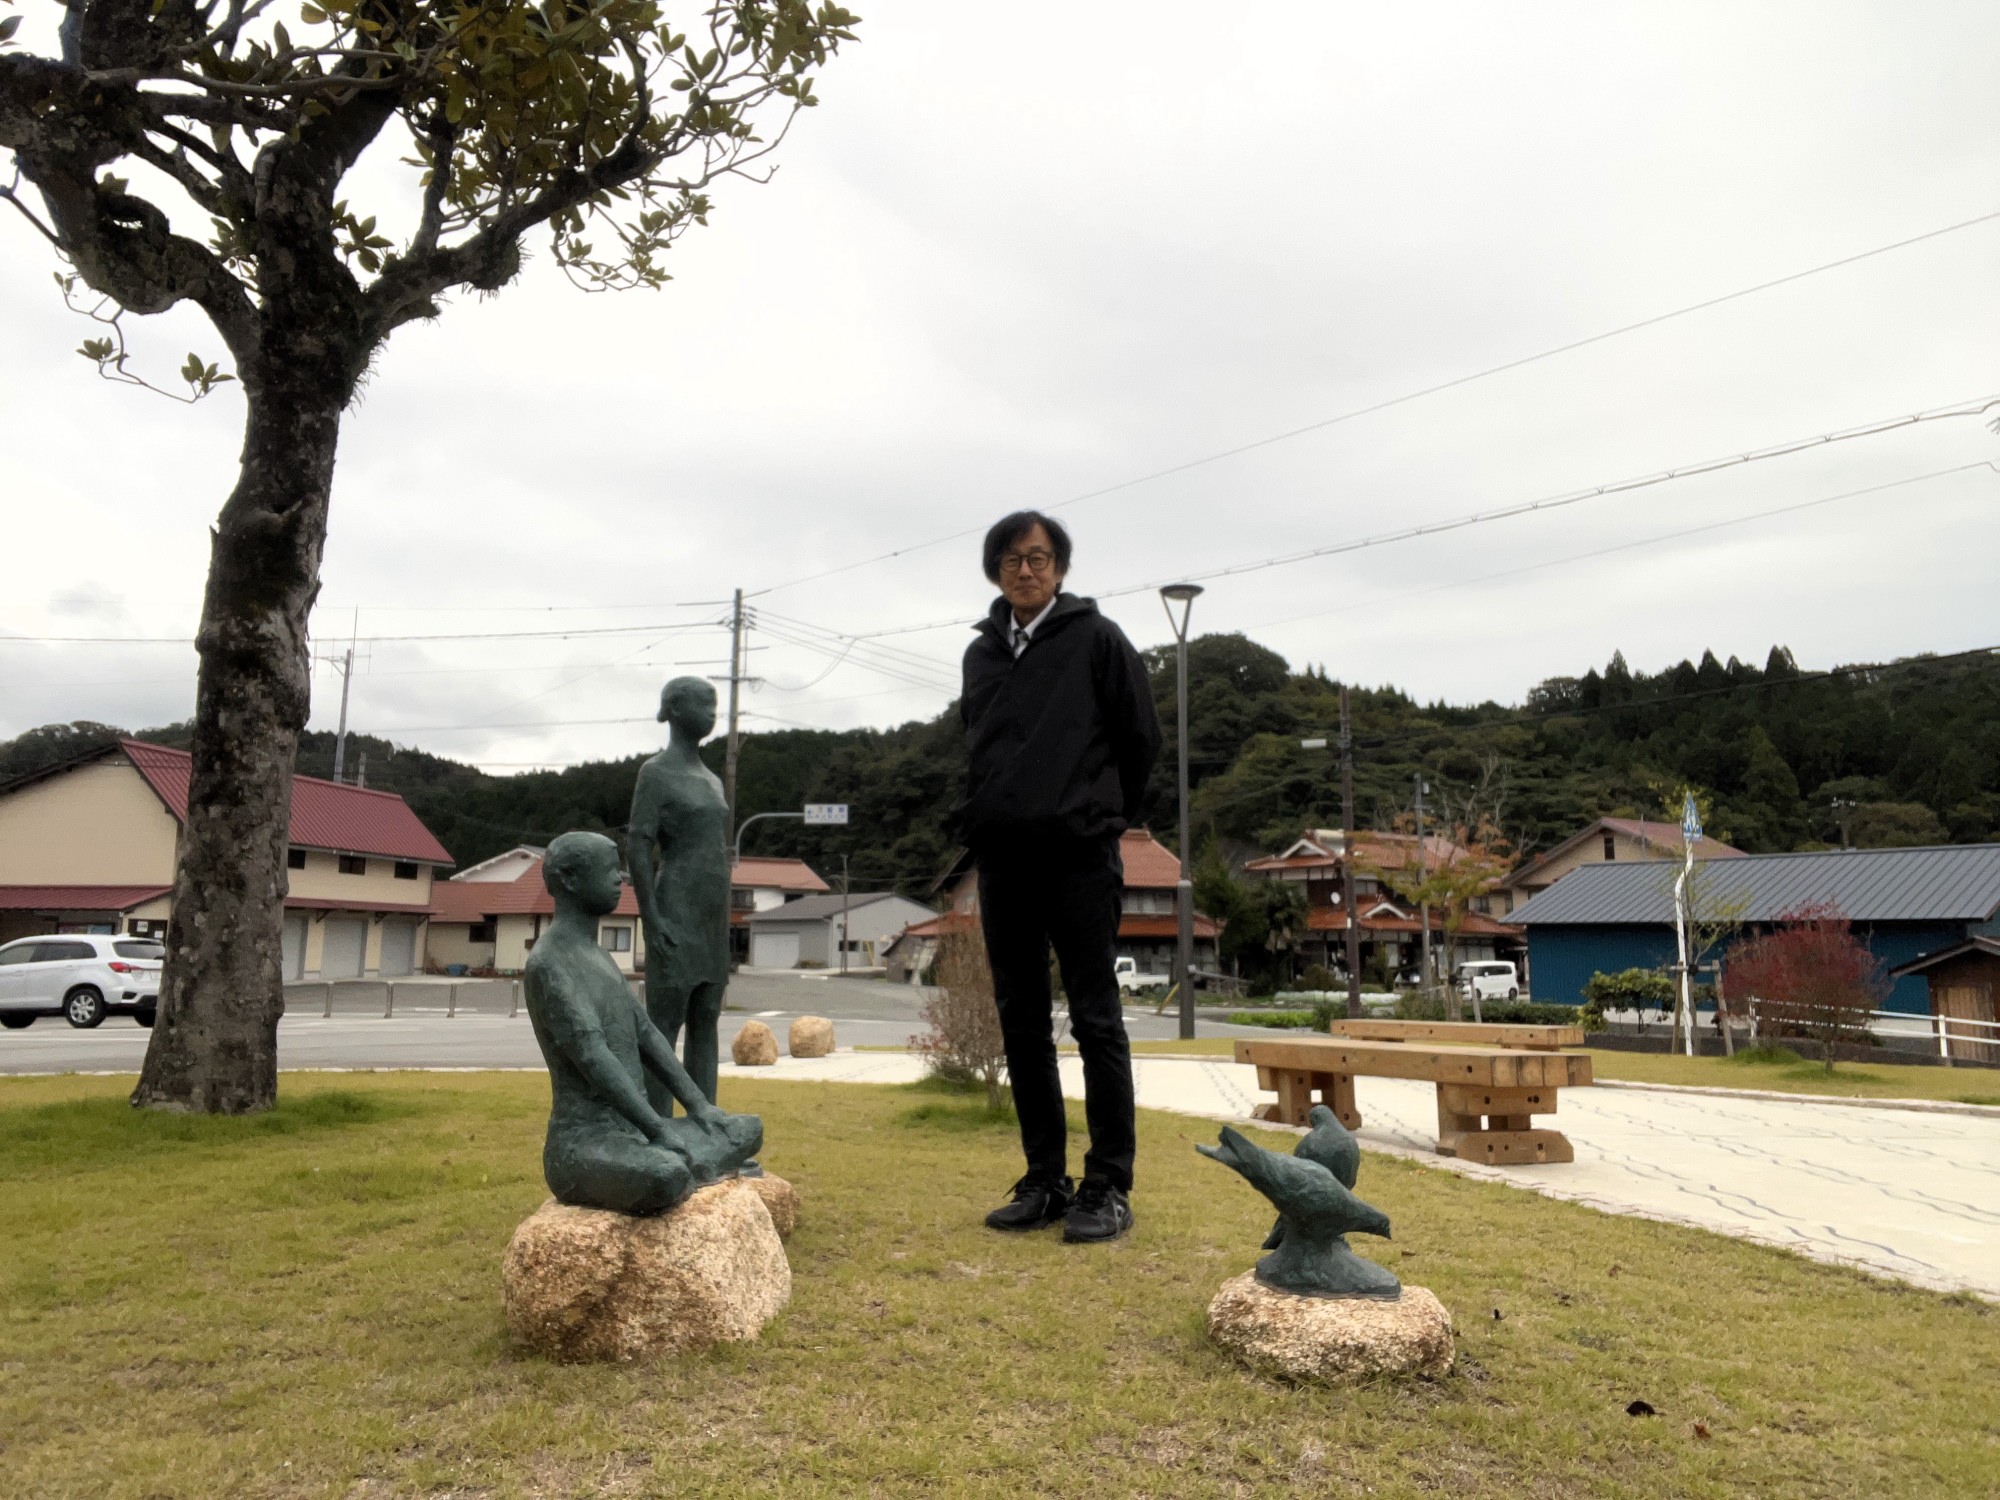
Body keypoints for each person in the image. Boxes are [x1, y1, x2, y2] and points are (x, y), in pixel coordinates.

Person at [952, 510, 1162, 1243]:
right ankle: (1044, 1179)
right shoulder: (981, 655)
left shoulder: (1097, 638)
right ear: (996, 570)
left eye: (1038, 558)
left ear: (1060, 568)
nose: (1025, 570)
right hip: (1003, 858)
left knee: (1096, 1018)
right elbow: (976, 745)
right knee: (1021, 1021)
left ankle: (1108, 1184)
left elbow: (1141, 739)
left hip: (1080, 853)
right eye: (1012, 559)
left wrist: (1101, 814)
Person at [523, 831, 763, 1215]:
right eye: (608, 870)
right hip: (585, 1143)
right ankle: (696, 1163)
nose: (619, 879)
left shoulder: (600, 958)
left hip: (637, 1131)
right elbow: (594, 1057)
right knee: (665, 1174)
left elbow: (647, 1036)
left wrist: (700, 1107)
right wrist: (659, 1128)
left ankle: (696, 1159)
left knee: (746, 1129)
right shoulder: (548, 963)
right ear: (569, 880)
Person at [628, 676, 732, 1114]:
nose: (712, 712)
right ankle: (657, 1125)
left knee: (707, 1018)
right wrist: (651, 919)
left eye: (715, 705)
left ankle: (707, 1121)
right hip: (675, 909)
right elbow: (638, 845)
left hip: (713, 918)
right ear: (673, 708)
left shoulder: (713, 779)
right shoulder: (655, 773)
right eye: (704, 704)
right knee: (664, 1025)